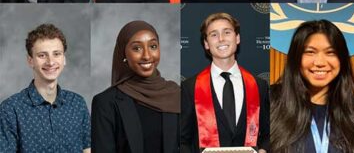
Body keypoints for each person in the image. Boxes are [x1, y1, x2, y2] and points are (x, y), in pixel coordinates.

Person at [180, 12, 269, 152]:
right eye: (214, 35)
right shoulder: (190, 87)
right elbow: (183, 140)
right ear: (206, 43)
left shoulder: (259, 85)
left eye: (227, 32)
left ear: (237, 38)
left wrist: (264, 150)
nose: (221, 39)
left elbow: (268, 133)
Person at [271, 20, 354, 153]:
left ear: (342, 59)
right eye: (310, 52)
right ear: (296, 57)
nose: (320, 62)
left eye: (330, 52)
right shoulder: (272, 100)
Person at [91, 20, 181, 152]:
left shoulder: (176, 94)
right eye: (137, 48)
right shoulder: (105, 102)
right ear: (124, 54)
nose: (146, 55)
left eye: (153, 46)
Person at [0, 24, 90, 152]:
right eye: (42, 55)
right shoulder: (10, 109)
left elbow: (88, 149)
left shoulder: (77, 103)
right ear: (30, 61)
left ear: (64, 59)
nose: (51, 62)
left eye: (56, 54)